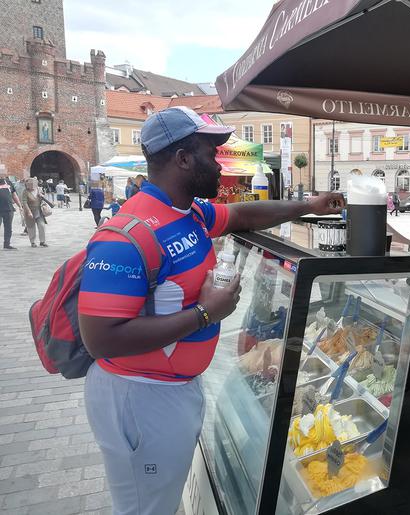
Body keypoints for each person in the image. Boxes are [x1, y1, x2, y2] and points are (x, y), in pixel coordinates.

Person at [79, 106, 344, 515]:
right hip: (139, 396)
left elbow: (240, 214)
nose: (219, 163)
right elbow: (99, 338)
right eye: (210, 152)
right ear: (183, 159)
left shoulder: (191, 213)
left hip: (170, 391)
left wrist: (307, 205)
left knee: (160, 503)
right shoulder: (125, 235)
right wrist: (205, 314)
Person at [22, 178, 51, 247]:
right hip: (30, 211)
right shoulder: (25, 192)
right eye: (30, 184)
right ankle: (33, 242)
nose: (31, 186)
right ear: (27, 185)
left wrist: (41, 196)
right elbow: (24, 202)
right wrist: (28, 212)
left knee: (42, 225)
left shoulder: (38, 189)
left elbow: (43, 198)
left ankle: (42, 241)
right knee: (31, 227)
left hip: (39, 211)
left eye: (33, 184)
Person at [0, 173, 22, 250]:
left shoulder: (8, 182)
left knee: (8, 228)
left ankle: (7, 244)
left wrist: (19, 205)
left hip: (9, 209)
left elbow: (14, 195)